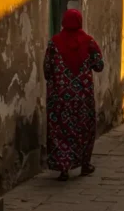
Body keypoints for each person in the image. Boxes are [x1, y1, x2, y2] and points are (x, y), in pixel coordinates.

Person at [44, 9, 104, 181]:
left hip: (59, 97)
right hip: (82, 98)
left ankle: (64, 167)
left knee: (60, 129)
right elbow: (99, 65)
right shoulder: (89, 42)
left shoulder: (54, 43)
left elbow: (47, 70)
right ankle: (84, 164)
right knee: (84, 129)